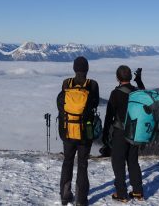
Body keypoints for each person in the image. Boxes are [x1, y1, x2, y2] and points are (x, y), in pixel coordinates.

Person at [57, 56, 99, 206]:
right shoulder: (92, 84)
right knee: (82, 164)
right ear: (87, 69)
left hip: (67, 130)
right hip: (84, 132)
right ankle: (81, 200)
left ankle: (65, 195)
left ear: (74, 69)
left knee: (67, 162)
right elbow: (95, 104)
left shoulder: (66, 83)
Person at [102, 66, 145, 202]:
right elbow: (144, 95)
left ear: (117, 78)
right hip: (134, 132)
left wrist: (105, 135)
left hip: (120, 133)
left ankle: (121, 193)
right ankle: (137, 191)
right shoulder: (136, 92)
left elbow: (109, 116)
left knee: (118, 162)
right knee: (132, 160)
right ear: (130, 78)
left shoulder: (115, 94)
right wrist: (139, 81)